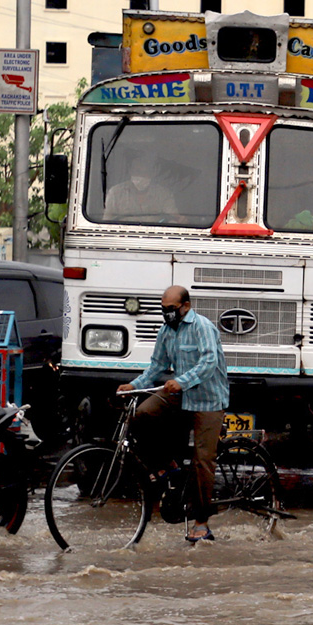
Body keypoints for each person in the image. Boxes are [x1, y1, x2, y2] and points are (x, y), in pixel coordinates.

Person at [117, 286, 230, 543]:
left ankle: (201, 522)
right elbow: (157, 366)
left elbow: (209, 362)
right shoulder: (166, 331)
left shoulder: (202, 327)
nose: (166, 314)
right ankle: (167, 467)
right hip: (179, 395)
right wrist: (134, 385)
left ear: (185, 306)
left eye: (171, 309)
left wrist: (182, 381)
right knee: (142, 415)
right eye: (163, 309)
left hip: (208, 399)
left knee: (203, 460)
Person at [105, 153, 179, 222]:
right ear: (130, 171)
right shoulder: (115, 193)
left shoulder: (163, 194)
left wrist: (180, 219)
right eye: (137, 171)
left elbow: (174, 217)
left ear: (152, 173)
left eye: (145, 172)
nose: (141, 176)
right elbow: (106, 221)